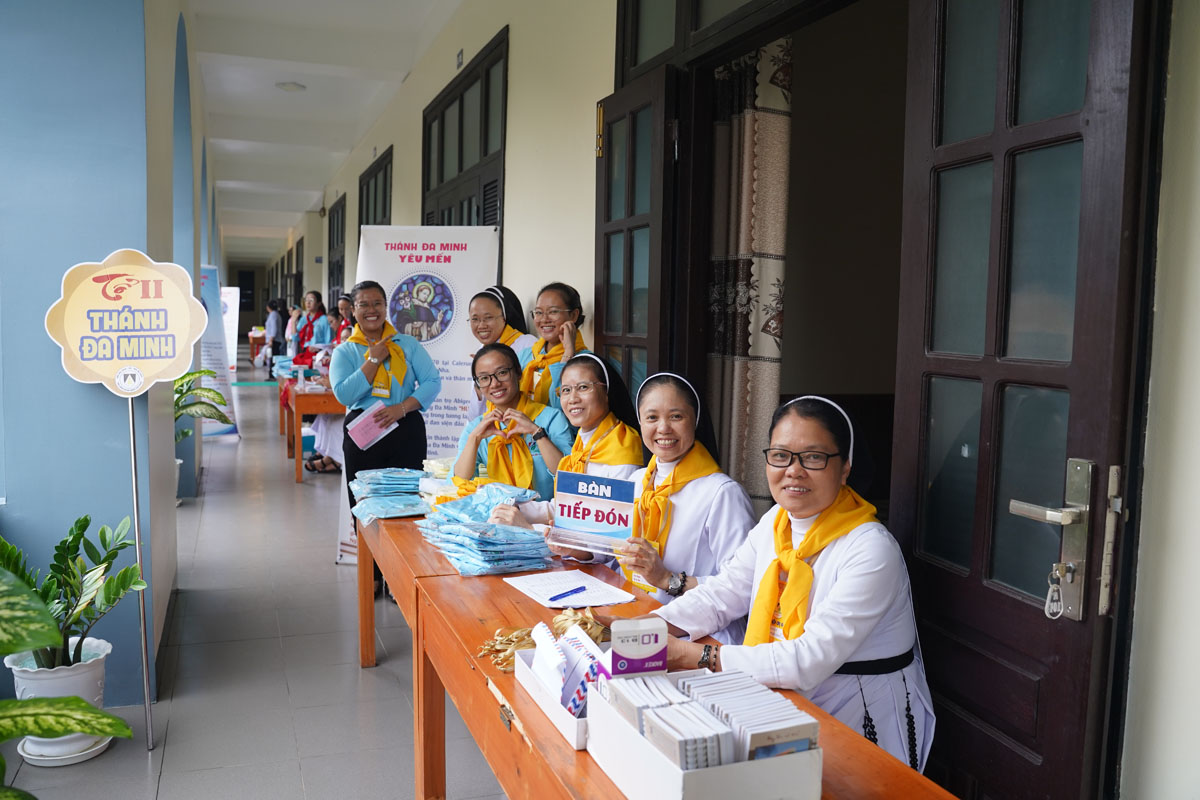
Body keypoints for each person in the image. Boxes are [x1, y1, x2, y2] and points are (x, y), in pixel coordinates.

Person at [645, 396, 935, 771]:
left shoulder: (870, 549)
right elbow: (723, 592)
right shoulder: (775, 522)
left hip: (857, 716)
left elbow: (807, 659)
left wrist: (693, 656)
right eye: (781, 456)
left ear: (845, 467)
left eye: (813, 457)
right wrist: (652, 626)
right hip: (778, 698)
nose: (793, 471)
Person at [612, 372, 755, 643]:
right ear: (640, 422)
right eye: (652, 417)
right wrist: (573, 544)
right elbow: (610, 556)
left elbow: (741, 587)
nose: (663, 428)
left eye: (676, 416)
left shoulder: (722, 493)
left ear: (695, 420)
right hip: (635, 612)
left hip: (699, 635)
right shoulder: (636, 482)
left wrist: (667, 579)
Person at [490, 352, 642, 527]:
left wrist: (528, 528)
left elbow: (604, 528)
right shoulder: (584, 442)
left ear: (606, 392)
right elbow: (568, 508)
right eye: (566, 390)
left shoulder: (623, 444)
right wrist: (512, 507)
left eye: (583, 387)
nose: (573, 399)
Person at [330, 280, 442, 510]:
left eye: (377, 303)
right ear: (353, 311)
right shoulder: (345, 351)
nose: (371, 310)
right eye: (364, 305)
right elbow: (344, 395)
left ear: (385, 306)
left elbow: (432, 382)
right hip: (364, 430)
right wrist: (373, 360)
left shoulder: (407, 344)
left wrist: (401, 408)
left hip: (406, 426)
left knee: (408, 503)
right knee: (364, 504)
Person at [454, 342, 573, 501]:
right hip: (499, 511)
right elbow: (460, 480)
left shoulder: (551, 418)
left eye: (502, 373)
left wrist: (536, 432)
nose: (494, 384)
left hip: (547, 512)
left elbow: (568, 476)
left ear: (518, 372)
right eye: (484, 378)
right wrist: (474, 439)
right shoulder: (477, 428)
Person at [516, 282, 589, 411]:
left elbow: (564, 406)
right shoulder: (527, 355)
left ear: (573, 315)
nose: (544, 319)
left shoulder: (586, 361)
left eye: (553, 311)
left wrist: (568, 354)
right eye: (539, 312)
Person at [467, 286, 537, 419]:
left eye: (488, 317)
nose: (481, 325)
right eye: (475, 319)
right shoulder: (481, 352)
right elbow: (474, 417)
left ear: (504, 317)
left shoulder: (527, 344)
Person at [292, 290, 333, 366]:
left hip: (319, 355)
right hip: (305, 352)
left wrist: (319, 348)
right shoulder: (304, 320)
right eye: (306, 300)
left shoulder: (324, 319)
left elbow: (328, 341)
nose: (308, 303)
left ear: (319, 303)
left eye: (311, 300)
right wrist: (293, 321)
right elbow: (295, 338)